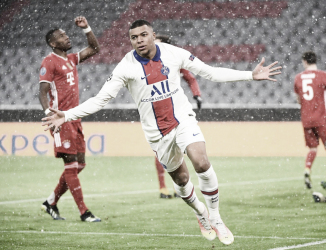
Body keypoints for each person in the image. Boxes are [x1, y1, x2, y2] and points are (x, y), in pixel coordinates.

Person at [42, 19, 281, 245]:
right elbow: (100, 99)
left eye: (144, 35)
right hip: (157, 135)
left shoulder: (172, 53)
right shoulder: (126, 66)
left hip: (183, 121)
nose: (139, 40)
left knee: (201, 162)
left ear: (153, 36)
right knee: (182, 180)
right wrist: (67, 114)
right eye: (134, 37)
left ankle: (216, 217)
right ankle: (200, 212)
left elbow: (209, 72)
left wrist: (250, 75)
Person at [38, 16, 101, 222]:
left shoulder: (72, 58)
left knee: (80, 164)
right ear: (53, 43)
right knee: (71, 165)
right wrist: (50, 116)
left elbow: (94, 48)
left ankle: (51, 201)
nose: (66, 37)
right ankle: (84, 212)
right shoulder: (49, 61)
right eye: (61, 37)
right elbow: (42, 92)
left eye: (66, 34)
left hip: (75, 117)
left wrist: (86, 29)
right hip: (60, 120)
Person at [154, 34, 202, 199]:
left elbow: (189, 77)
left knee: (179, 150)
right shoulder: (145, 63)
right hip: (157, 114)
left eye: (157, 44)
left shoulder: (173, 60)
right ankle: (162, 188)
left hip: (176, 112)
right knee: (162, 151)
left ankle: (177, 185)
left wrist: (197, 95)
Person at [293, 51, 326, 189]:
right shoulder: (323, 75)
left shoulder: (298, 78)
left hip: (306, 120)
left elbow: (298, 100)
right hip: (322, 119)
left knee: (313, 148)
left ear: (304, 62)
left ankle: (307, 169)